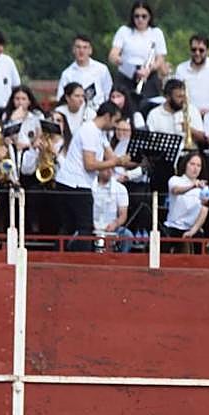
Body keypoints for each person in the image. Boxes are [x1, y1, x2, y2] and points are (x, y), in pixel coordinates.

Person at [54, 101, 127, 250]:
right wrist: (117, 161)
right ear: (107, 116)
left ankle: (61, 254)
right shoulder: (90, 131)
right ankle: (80, 261)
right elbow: (90, 164)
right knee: (85, 226)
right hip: (75, 184)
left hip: (72, 183)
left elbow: (112, 157)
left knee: (70, 225)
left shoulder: (99, 133)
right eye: (115, 121)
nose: (115, 125)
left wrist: (136, 162)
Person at [109, 2, 168, 107]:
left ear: (149, 17)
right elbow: (113, 55)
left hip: (148, 74)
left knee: (148, 106)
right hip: (127, 74)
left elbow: (160, 58)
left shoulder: (156, 33)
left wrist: (148, 70)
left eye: (144, 16)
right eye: (137, 16)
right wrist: (130, 68)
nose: (140, 19)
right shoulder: (124, 31)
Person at [163, 150, 209, 251]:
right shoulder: (175, 179)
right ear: (185, 165)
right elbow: (176, 190)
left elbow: (205, 209)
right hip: (173, 226)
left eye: (198, 165)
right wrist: (193, 186)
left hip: (192, 229)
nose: (195, 168)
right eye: (192, 164)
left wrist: (193, 231)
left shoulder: (204, 188)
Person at [173, 34, 209, 118]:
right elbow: (176, 92)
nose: (197, 53)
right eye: (194, 50)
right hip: (189, 116)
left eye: (201, 50)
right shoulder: (181, 69)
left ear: (208, 51)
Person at [147, 79, 206, 152]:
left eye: (184, 96)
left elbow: (203, 140)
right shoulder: (154, 114)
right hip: (163, 154)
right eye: (179, 97)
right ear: (167, 97)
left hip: (188, 155)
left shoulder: (192, 110)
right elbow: (150, 142)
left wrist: (189, 129)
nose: (183, 100)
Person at [56, 34, 113, 110]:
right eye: (78, 47)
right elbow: (61, 99)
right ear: (73, 50)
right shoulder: (67, 74)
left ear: (90, 50)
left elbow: (109, 93)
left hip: (99, 113)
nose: (81, 51)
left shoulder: (102, 69)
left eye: (85, 47)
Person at [92, 162, 132, 252]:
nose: (109, 171)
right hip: (91, 226)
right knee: (75, 237)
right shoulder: (88, 185)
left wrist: (115, 224)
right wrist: (90, 224)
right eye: (106, 168)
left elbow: (123, 215)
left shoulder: (120, 188)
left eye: (111, 169)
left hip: (112, 227)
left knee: (127, 235)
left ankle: (121, 260)